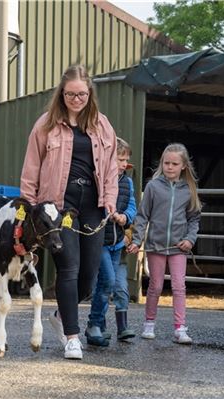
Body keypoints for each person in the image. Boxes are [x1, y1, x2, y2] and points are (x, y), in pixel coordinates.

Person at [20, 64, 119, 360]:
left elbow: (112, 167)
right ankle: (72, 337)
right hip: (58, 207)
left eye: (82, 94)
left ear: (90, 94)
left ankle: (63, 315)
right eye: (70, 94)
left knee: (89, 276)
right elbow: (31, 167)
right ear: (61, 94)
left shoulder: (103, 125)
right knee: (70, 267)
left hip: (94, 205)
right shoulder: (46, 125)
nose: (76, 99)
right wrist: (28, 207)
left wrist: (111, 198)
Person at [127, 143, 202, 345]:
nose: (169, 167)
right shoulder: (153, 187)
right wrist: (137, 240)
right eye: (166, 163)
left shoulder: (189, 190)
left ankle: (180, 328)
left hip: (179, 246)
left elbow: (194, 218)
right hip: (156, 246)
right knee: (156, 286)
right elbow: (143, 216)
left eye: (174, 164)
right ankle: (149, 323)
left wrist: (190, 239)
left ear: (183, 166)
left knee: (179, 286)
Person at [86, 137, 137, 346]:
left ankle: (100, 326)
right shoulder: (99, 180)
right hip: (101, 240)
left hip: (117, 243)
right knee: (106, 280)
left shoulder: (127, 181)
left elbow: (132, 205)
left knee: (110, 284)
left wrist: (126, 217)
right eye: (120, 159)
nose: (124, 164)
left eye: (126, 160)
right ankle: (94, 324)